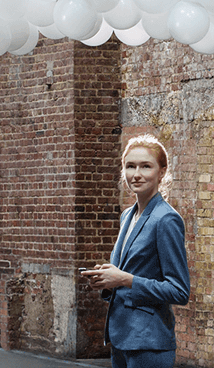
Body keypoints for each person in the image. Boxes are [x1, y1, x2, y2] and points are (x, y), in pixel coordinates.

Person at [81, 134, 191, 368]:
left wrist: (125, 279)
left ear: (161, 172)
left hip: (149, 342)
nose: (136, 174)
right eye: (130, 166)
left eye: (146, 166)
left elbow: (179, 291)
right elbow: (130, 273)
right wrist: (106, 280)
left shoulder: (166, 219)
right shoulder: (127, 216)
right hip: (121, 337)